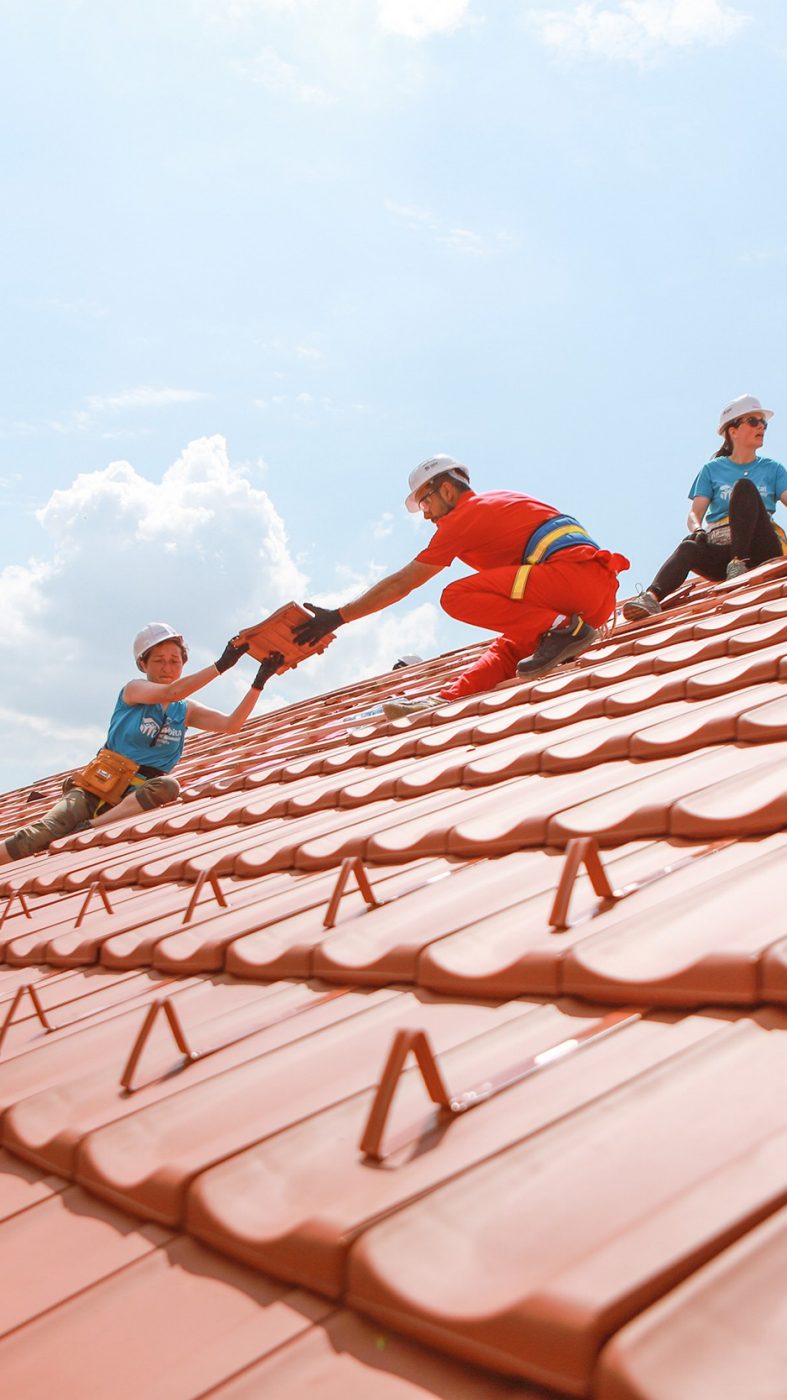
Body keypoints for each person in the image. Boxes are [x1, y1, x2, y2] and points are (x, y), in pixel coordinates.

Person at [292, 455, 629, 717]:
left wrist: (337, 617)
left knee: (456, 596)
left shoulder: (463, 518)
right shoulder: (502, 499)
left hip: (572, 583)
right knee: (510, 647)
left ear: (447, 490)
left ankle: (566, 630)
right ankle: (444, 699)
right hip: (593, 597)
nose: (426, 516)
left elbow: (402, 583)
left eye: (425, 504)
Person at [0, 622, 282, 865]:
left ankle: (89, 829)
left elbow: (232, 725)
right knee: (40, 833)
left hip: (137, 795)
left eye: (175, 660)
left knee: (169, 786)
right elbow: (172, 691)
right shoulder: (134, 690)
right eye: (158, 660)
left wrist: (258, 683)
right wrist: (222, 666)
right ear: (143, 664)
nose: (168, 667)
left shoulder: (186, 710)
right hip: (97, 787)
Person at [624, 395, 787, 621]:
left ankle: (739, 564)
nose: (761, 426)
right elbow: (695, 513)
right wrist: (697, 529)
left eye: (763, 423)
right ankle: (651, 597)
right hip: (722, 551)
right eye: (753, 421)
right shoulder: (712, 470)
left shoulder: (773, 469)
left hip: (761, 547)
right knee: (689, 547)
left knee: (744, 488)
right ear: (733, 431)